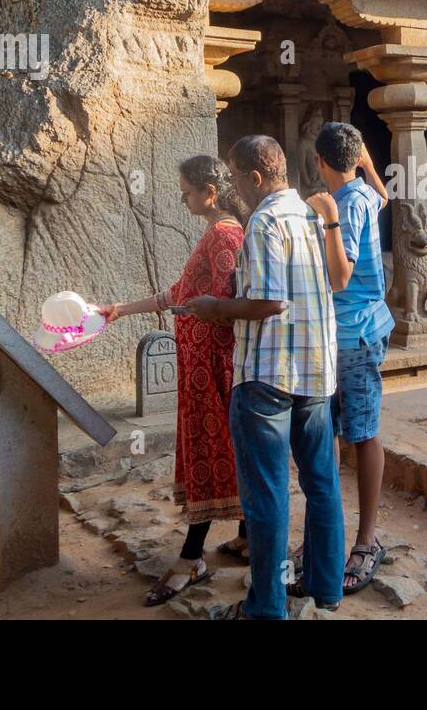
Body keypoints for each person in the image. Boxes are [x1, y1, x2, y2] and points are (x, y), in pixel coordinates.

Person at [188, 135, 345, 620]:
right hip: (317, 371)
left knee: (267, 495)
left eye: (236, 177)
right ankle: (326, 585)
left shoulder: (264, 220)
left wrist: (216, 308)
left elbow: (270, 302)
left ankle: (266, 607)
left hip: (268, 378)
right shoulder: (309, 214)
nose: (235, 186)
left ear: (255, 177)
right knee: (322, 483)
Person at [97, 156, 248, 605]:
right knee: (224, 446)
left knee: (212, 448)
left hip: (213, 363)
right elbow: (178, 294)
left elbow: (219, 303)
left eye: (186, 191)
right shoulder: (217, 233)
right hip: (200, 361)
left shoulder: (225, 235)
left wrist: (192, 311)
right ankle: (247, 535)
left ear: (210, 192)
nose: (182, 198)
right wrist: (122, 308)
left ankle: (190, 558)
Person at [306, 121, 393, 594]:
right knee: (337, 430)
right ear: (356, 158)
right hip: (346, 333)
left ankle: (366, 539)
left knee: (361, 432)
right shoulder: (363, 193)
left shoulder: (342, 205)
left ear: (319, 162)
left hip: (354, 334)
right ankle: (332, 532)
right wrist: (371, 168)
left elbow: (341, 276)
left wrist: (328, 219)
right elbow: (383, 199)